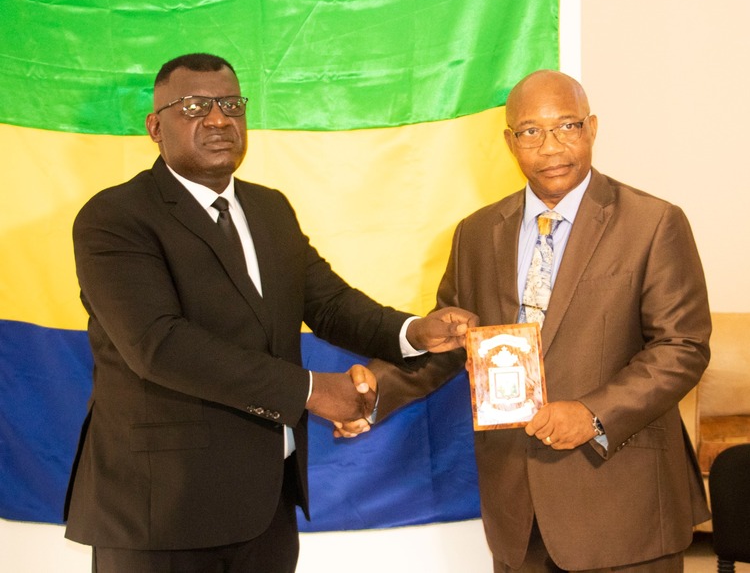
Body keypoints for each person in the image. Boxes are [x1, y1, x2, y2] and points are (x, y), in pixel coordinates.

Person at [63, 52, 475, 573]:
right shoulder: (115, 217)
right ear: (155, 126)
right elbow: (160, 346)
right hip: (160, 511)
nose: (219, 120)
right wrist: (311, 391)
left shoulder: (269, 209)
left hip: (266, 507)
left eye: (231, 105)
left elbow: (329, 303)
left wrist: (416, 332)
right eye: (194, 107)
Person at [339, 70, 711, 572]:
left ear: (592, 128)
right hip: (518, 511)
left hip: (623, 506)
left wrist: (593, 413)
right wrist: (372, 394)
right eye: (531, 131)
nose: (551, 146)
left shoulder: (653, 222)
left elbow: (682, 347)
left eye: (567, 126)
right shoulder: (475, 234)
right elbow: (454, 343)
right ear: (510, 141)